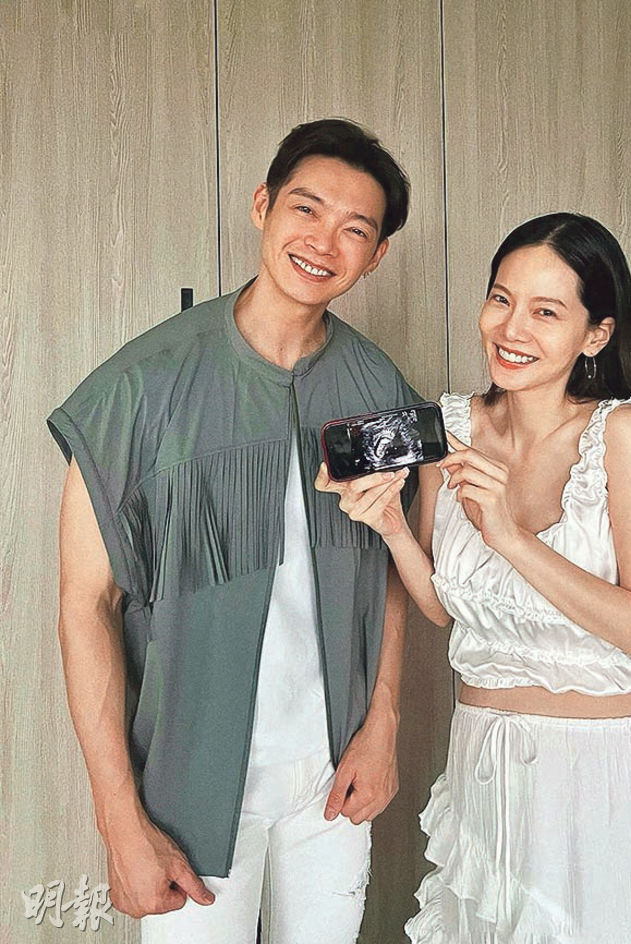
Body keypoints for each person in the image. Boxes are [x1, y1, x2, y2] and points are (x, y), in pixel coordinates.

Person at [47, 118, 421, 944]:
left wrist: (385, 724)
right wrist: (119, 819)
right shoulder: (139, 387)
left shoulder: (379, 388)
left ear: (376, 255)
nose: (323, 242)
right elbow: (85, 606)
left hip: (333, 782)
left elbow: (392, 566)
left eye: (355, 229)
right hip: (189, 790)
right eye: (306, 209)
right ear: (262, 206)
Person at [316, 213, 631, 942]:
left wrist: (507, 534)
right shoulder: (450, 426)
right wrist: (392, 530)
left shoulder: (619, 435)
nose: (511, 329)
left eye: (546, 311)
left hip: (603, 779)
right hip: (483, 766)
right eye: (501, 299)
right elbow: (447, 609)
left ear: (595, 335)